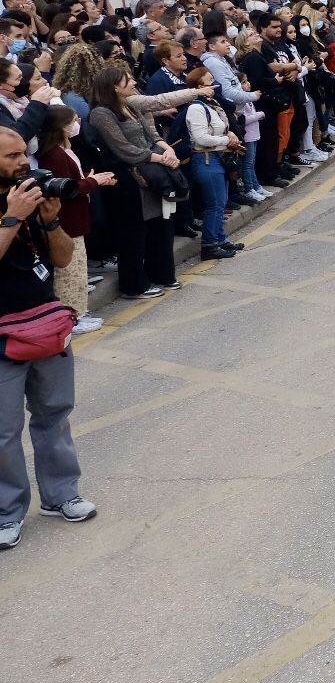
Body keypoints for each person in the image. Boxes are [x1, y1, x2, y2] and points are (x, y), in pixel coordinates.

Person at [0, 124, 93, 552]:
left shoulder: (31, 194)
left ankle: (62, 495)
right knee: (3, 431)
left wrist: (50, 221)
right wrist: (12, 218)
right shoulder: (15, 206)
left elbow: (61, 258)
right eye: (11, 156)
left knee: (55, 414)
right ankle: (7, 512)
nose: (23, 162)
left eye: (23, 153)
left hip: (45, 323)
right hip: (3, 335)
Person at [86, 65, 205, 300]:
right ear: (114, 87)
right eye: (127, 79)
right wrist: (159, 157)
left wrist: (167, 148)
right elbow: (123, 148)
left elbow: (151, 134)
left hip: (151, 174)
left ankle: (161, 274)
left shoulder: (130, 104)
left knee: (160, 227)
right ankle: (134, 285)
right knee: (133, 234)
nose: (132, 82)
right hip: (128, 179)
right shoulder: (101, 113)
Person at [34, 105, 115, 335]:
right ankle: (73, 316)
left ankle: (79, 311)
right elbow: (67, 188)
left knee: (78, 269)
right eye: (73, 121)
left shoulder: (64, 148)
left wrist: (91, 180)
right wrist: (93, 182)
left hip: (77, 217)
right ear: (62, 127)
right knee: (70, 272)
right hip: (67, 220)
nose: (77, 124)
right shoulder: (54, 154)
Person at [182, 66, 244, 262]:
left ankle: (219, 238)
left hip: (217, 157)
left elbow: (220, 128)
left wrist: (229, 134)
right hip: (206, 159)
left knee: (220, 201)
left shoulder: (211, 104)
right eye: (211, 81)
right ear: (200, 85)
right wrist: (226, 141)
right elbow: (200, 138)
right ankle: (209, 245)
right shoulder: (196, 107)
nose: (215, 84)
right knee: (214, 205)